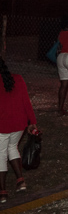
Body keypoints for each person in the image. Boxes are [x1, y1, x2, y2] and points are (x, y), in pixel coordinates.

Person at [0, 58, 38, 204]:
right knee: (12, 147)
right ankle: (20, 181)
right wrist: (32, 121)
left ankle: (3, 192)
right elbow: (26, 101)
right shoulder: (18, 78)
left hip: (3, 124)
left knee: (1, 154)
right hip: (19, 123)